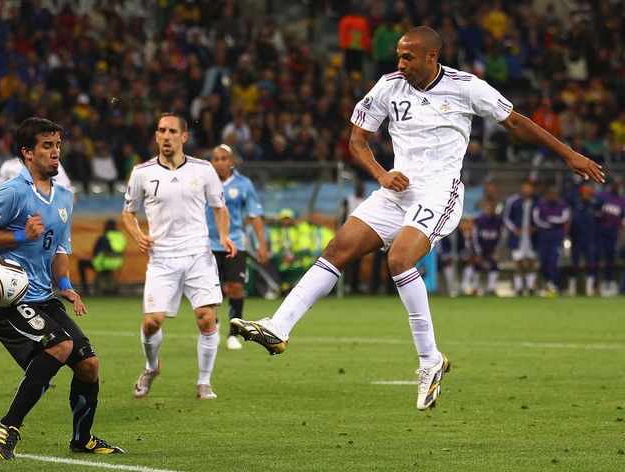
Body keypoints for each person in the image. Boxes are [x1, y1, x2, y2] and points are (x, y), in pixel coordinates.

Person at [231, 26, 605, 411]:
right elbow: (357, 141)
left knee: (400, 259)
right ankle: (279, 328)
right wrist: (381, 175)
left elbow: (514, 121)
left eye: (408, 57)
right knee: (338, 247)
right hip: (395, 190)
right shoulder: (388, 87)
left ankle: (430, 361)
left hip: (439, 192)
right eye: (398, 56)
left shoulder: (466, 86)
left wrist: (568, 155)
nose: (400, 63)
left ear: (431, 56)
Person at [0, 117, 123, 460]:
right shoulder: (13, 192)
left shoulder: (64, 197)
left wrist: (65, 285)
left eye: (58, 146)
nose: (55, 153)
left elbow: (60, 247)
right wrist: (21, 235)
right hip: (8, 300)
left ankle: (82, 440)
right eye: (47, 146)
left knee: (89, 365)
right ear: (27, 153)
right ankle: (8, 424)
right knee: (61, 346)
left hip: (43, 297)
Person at [122, 112, 236, 400]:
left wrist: (223, 236)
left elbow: (219, 208)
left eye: (172, 131)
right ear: (156, 135)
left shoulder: (203, 169)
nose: (166, 135)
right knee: (152, 322)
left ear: (184, 137)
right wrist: (138, 236)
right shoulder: (142, 173)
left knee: (206, 319)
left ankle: (204, 382)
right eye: (161, 130)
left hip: (198, 254)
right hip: (162, 258)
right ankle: (151, 366)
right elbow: (128, 212)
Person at [205, 144, 268, 350]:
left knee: (236, 287)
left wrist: (261, 244)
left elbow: (254, 215)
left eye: (225, 158)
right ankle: (212, 326)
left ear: (232, 161)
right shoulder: (202, 182)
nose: (220, 162)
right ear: (211, 162)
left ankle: (234, 333)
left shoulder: (243, 184)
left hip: (235, 243)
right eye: (216, 159)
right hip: (207, 244)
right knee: (207, 291)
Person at [532, 185, 569, 296]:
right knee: (543, 261)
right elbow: (536, 219)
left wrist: (549, 220)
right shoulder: (540, 204)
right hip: (543, 236)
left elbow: (564, 218)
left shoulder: (562, 205)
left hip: (556, 236)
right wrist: (548, 224)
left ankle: (553, 284)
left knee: (554, 261)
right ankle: (546, 282)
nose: (552, 196)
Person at [504, 180, 539, 296]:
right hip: (518, 237)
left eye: (529, 188)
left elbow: (541, 218)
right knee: (518, 262)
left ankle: (530, 287)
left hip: (532, 237)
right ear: (521, 188)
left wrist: (535, 227)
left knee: (531, 262)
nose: (527, 190)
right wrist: (514, 229)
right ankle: (518, 287)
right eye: (525, 188)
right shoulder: (513, 201)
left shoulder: (536, 202)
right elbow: (506, 218)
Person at [77, 219, 126, 295]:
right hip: (117, 264)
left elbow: (96, 252)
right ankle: (110, 287)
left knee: (81, 263)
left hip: (103, 263)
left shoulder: (104, 237)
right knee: (106, 270)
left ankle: (85, 289)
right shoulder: (121, 237)